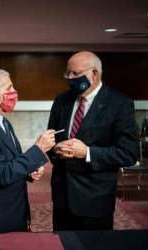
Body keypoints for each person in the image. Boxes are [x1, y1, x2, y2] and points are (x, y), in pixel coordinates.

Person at [47, 51, 139, 231]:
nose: (70, 78)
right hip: (62, 196)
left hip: (95, 198)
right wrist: (55, 150)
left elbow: (129, 153)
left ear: (94, 74)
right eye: (68, 73)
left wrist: (87, 152)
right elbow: (52, 139)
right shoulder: (62, 100)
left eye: (75, 73)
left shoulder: (120, 104)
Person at [0, 69, 56, 233]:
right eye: (9, 88)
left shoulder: (3, 121)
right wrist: (38, 149)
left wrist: (29, 170)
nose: (14, 92)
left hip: (13, 210)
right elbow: (2, 174)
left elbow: (10, 161)